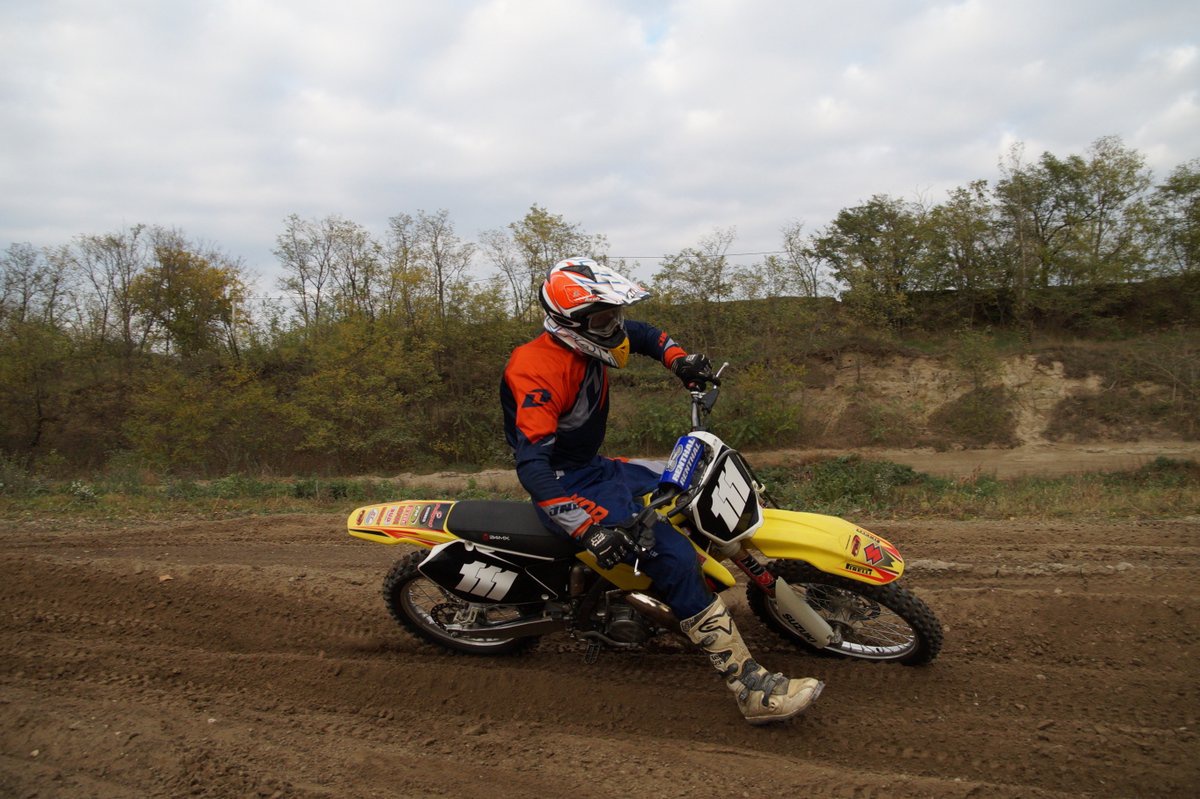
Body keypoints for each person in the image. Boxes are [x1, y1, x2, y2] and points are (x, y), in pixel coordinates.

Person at [500, 257, 823, 724]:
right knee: (673, 558)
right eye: (603, 318)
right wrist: (588, 530)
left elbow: (646, 335)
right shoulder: (536, 369)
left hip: (595, 467)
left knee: (693, 486)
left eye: (615, 314)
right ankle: (749, 688)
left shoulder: (595, 336)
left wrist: (680, 361)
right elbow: (532, 467)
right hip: (565, 483)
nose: (615, 326)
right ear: (570, 323)